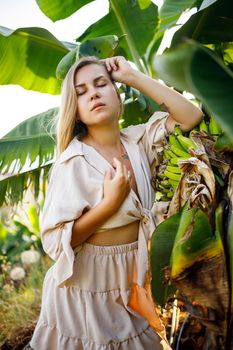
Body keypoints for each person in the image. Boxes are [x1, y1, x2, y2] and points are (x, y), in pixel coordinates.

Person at [29, 56, 203, 349]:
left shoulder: (138, 141)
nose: (94, 93)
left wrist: (133, 76)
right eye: (81, 91)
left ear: (117, 93)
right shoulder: (74, 161)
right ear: (76, 110)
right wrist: (109, 205)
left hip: (130, 280)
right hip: (86, 288)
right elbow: (56, 245)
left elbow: (191, 116)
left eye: (101, 84)